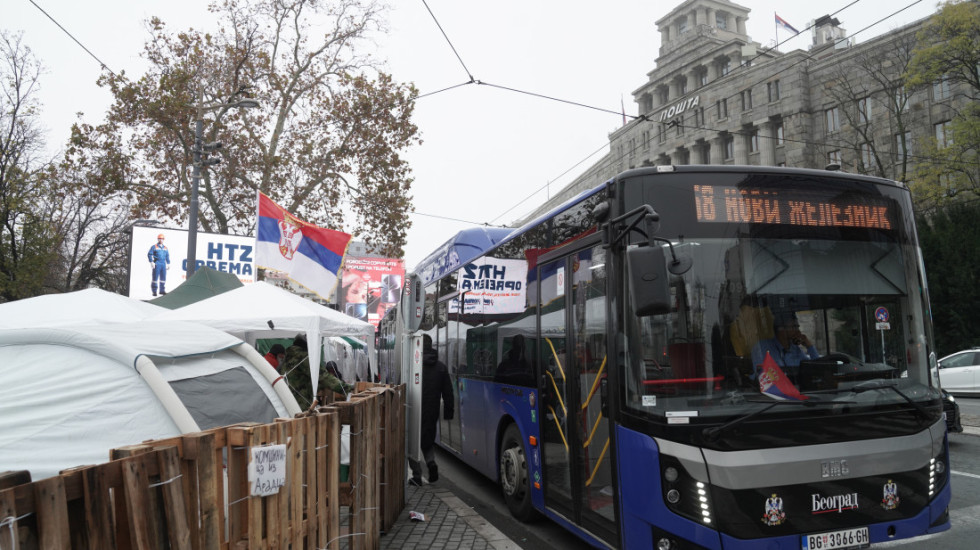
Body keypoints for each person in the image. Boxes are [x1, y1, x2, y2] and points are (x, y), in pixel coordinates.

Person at [411, 334, 454, 486]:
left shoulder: (413, 365)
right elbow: (448, 392)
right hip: (432, 410)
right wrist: (448, 412)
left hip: (414, 408)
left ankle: (417, 476)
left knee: (412, 441)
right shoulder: (441, 367)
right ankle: (431, 464)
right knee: (427, 439)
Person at [282, 335, 354, 408]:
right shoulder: (303, 356)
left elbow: (303, 378)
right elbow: (323, 376)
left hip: (287, 399)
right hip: (301, 402)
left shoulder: (289, 355)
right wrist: (346, 388)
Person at [750, 312, 820, 374]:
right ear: (781, 329)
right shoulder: (762, 347)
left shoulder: (795, 349)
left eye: (797, 327)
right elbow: (760, 376)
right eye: (794, 327)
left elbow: (817, 368)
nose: (798, 332)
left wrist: (809, 346)